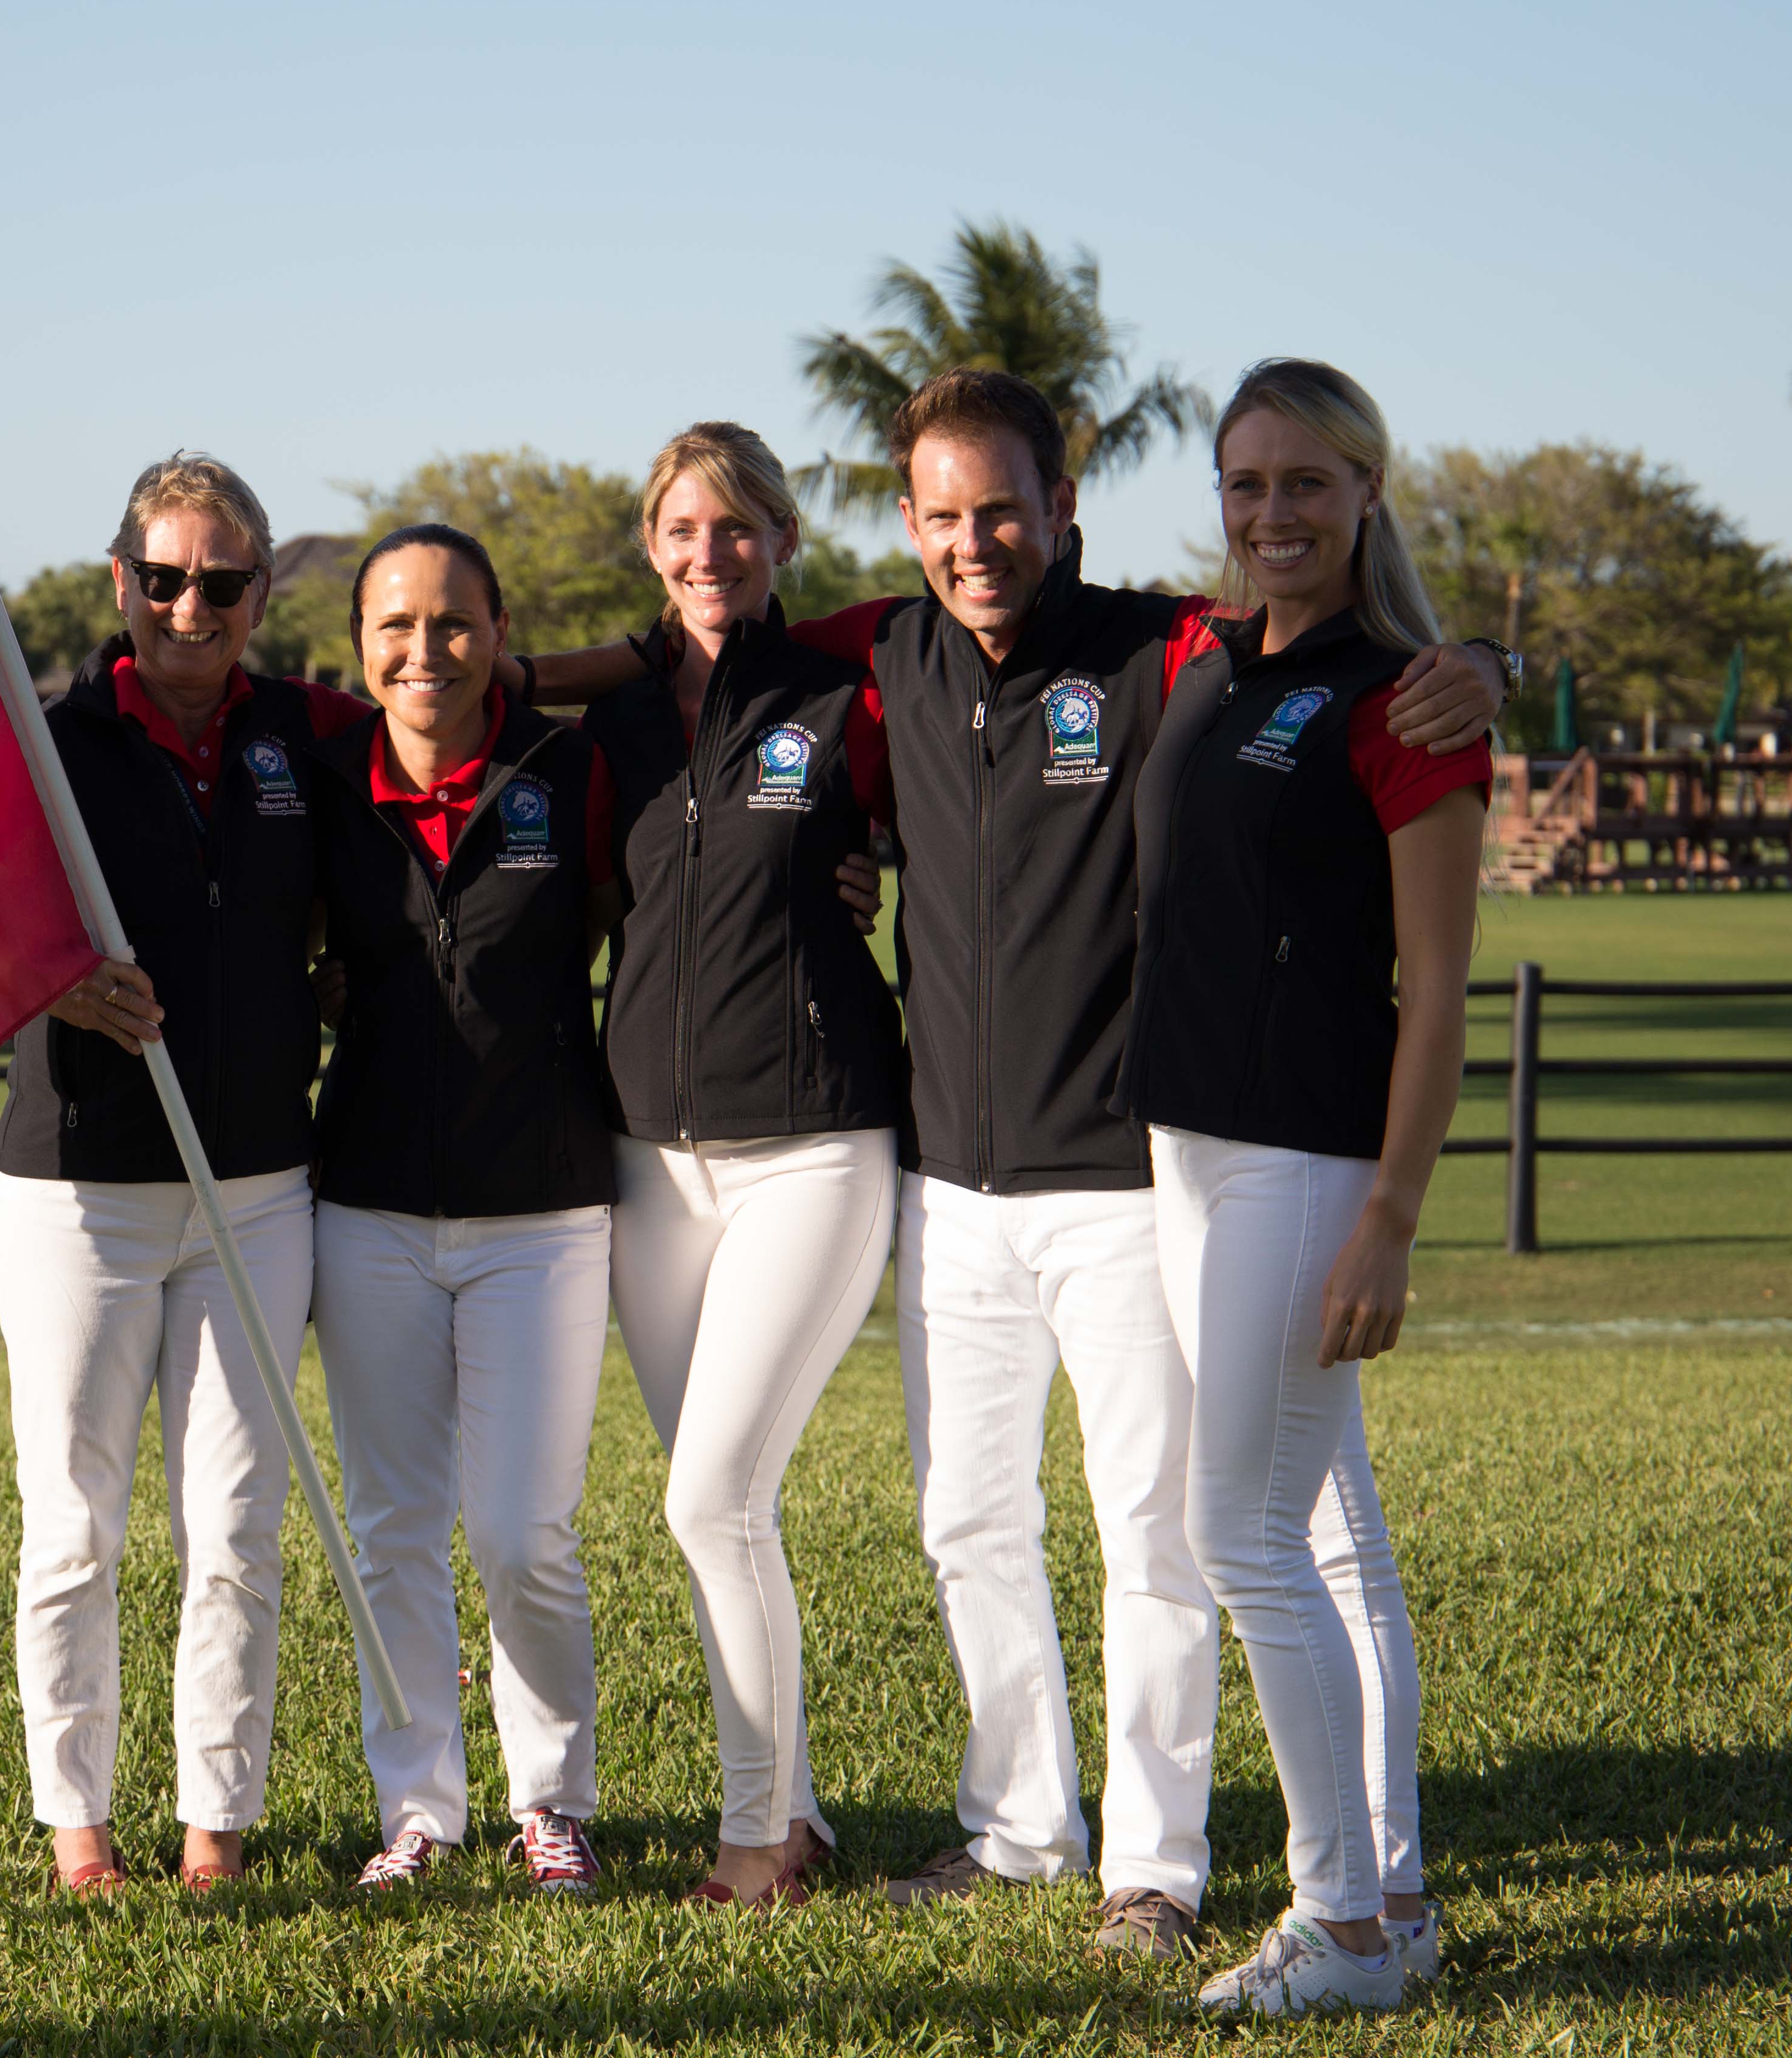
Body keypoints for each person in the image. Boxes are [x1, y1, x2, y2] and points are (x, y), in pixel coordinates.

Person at [528, 370, 1511, 1952]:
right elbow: (689, 648)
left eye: (1003, 510)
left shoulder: (1162, 647)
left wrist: (1477, 657)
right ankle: (1020, 1828)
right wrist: (519, 673)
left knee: (1152, 1532)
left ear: (1061, 509)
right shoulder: (886, 651)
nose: (975, 541)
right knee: (967, 1520)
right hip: (950, 1187)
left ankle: (1155, 1865)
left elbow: (1332, 626)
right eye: (944, 515)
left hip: (1128, 1178)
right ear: (909, 524)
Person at [1118, 359, 1484, 2015]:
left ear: (1365, 496)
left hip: (1304, 1159)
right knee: (1329, 1531)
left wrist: (1389, 1221)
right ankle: (1388, 1893)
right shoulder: (1204, 654)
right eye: (1246, 484)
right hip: (1190, 1145)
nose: (1274, 514)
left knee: (1237, 1531)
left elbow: (1438, 988)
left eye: (1308, 486)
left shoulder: (1400, 702)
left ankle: (1338, 1926)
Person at [0, 450, 369, 1896]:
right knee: (75, 1526)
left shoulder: (311, 738)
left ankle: (217, 1825)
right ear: (121, 582)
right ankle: (77, 1827)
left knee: (236, 1529)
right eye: (164, 578)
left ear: (262, 589)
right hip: (78, 1196)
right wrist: (59, 980)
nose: (190, 606)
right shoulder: (46, 744)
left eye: (220, 581)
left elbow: (435, 768)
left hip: (259, 1194)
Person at [577, 423, 900, 1910]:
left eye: (741, 529)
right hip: (653, 1166)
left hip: (816, 1148)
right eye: (684, 531)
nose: (712, 555)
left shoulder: (854, 689)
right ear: (655, 546)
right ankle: (804, 1814)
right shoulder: (617, 715)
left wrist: (874, 865)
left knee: (711, 1499)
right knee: (721, 1516)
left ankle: (756, 1841)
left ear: (782, 540)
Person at [305, 524, 624, 1898]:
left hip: (542, 1213)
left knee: (517, 1532)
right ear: (357, 647)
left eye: (453, 622)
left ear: (500, 633)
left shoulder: (574, 767)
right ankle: (420, 1808)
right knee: (390, 1529)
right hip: (367, 1208)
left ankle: (553, 1800)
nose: (423, 650)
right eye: (394, 625)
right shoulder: (321, 778)